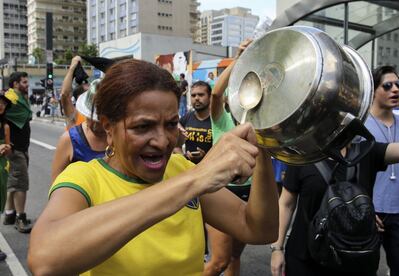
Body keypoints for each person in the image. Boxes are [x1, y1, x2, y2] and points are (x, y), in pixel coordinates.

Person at [28, 59, 279, 276]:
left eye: (171, 125)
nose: (161, 141)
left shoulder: (181, 169)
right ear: (108, 127)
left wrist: (262, 150)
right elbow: (44, 260)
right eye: (142, 127)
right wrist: (195, 179)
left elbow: (259, 229)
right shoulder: (84, 178)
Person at [270, 137, 399, 276]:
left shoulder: (368, 151)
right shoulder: (303, 155)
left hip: (355, 259)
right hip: (305, 258)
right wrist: (277, 249)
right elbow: (286, 204)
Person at [204, 39, 252, 276]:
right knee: (219, 260)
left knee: (234, 257)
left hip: (248, 194)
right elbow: (215, 93)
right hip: (222, 191)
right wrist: (238, 59)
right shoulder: (221, 120)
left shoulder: (257, 123)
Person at [365, 65, 399, 276]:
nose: (395, 89)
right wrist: (364, 208)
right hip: (369, 213)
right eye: (387, 85)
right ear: (373, 90)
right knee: (364, 268)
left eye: (398, 84)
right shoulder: (360, 125)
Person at [51, 79, 107, 182]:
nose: (95, 125)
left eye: (102, 121)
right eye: (91, 118)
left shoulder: (121, 138)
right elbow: (56, 186)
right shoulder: (69, 139)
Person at [3, 71, 32, 233]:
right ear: (15, 84)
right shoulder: (10, 98)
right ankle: (20, 218)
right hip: (14, 149)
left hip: (21, 147)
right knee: (21, 184)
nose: (27, 85)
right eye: (24, 82)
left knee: (14, 182)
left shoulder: (21, 98)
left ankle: (9, 214)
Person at [175, 81, 212, 164]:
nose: (196, 98)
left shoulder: (216, 121)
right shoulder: (187, 117)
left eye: (201, 95)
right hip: (189, 169)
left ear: (210, 97)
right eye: (193, 95)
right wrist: (183, 157)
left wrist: (204, 158)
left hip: (209, 169)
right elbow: (175, 143)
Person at [60, 56, 90, 130]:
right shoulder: (74, 114)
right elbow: (64, 94)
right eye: (86, 93)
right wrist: (72, 68)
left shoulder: (97, 117)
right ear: (79, 97)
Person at [0, 92, 12, 261]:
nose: (1, 105)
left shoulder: (6, 126)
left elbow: (9, 146)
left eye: (3, 103)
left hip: (2, 167)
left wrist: (5, 148)